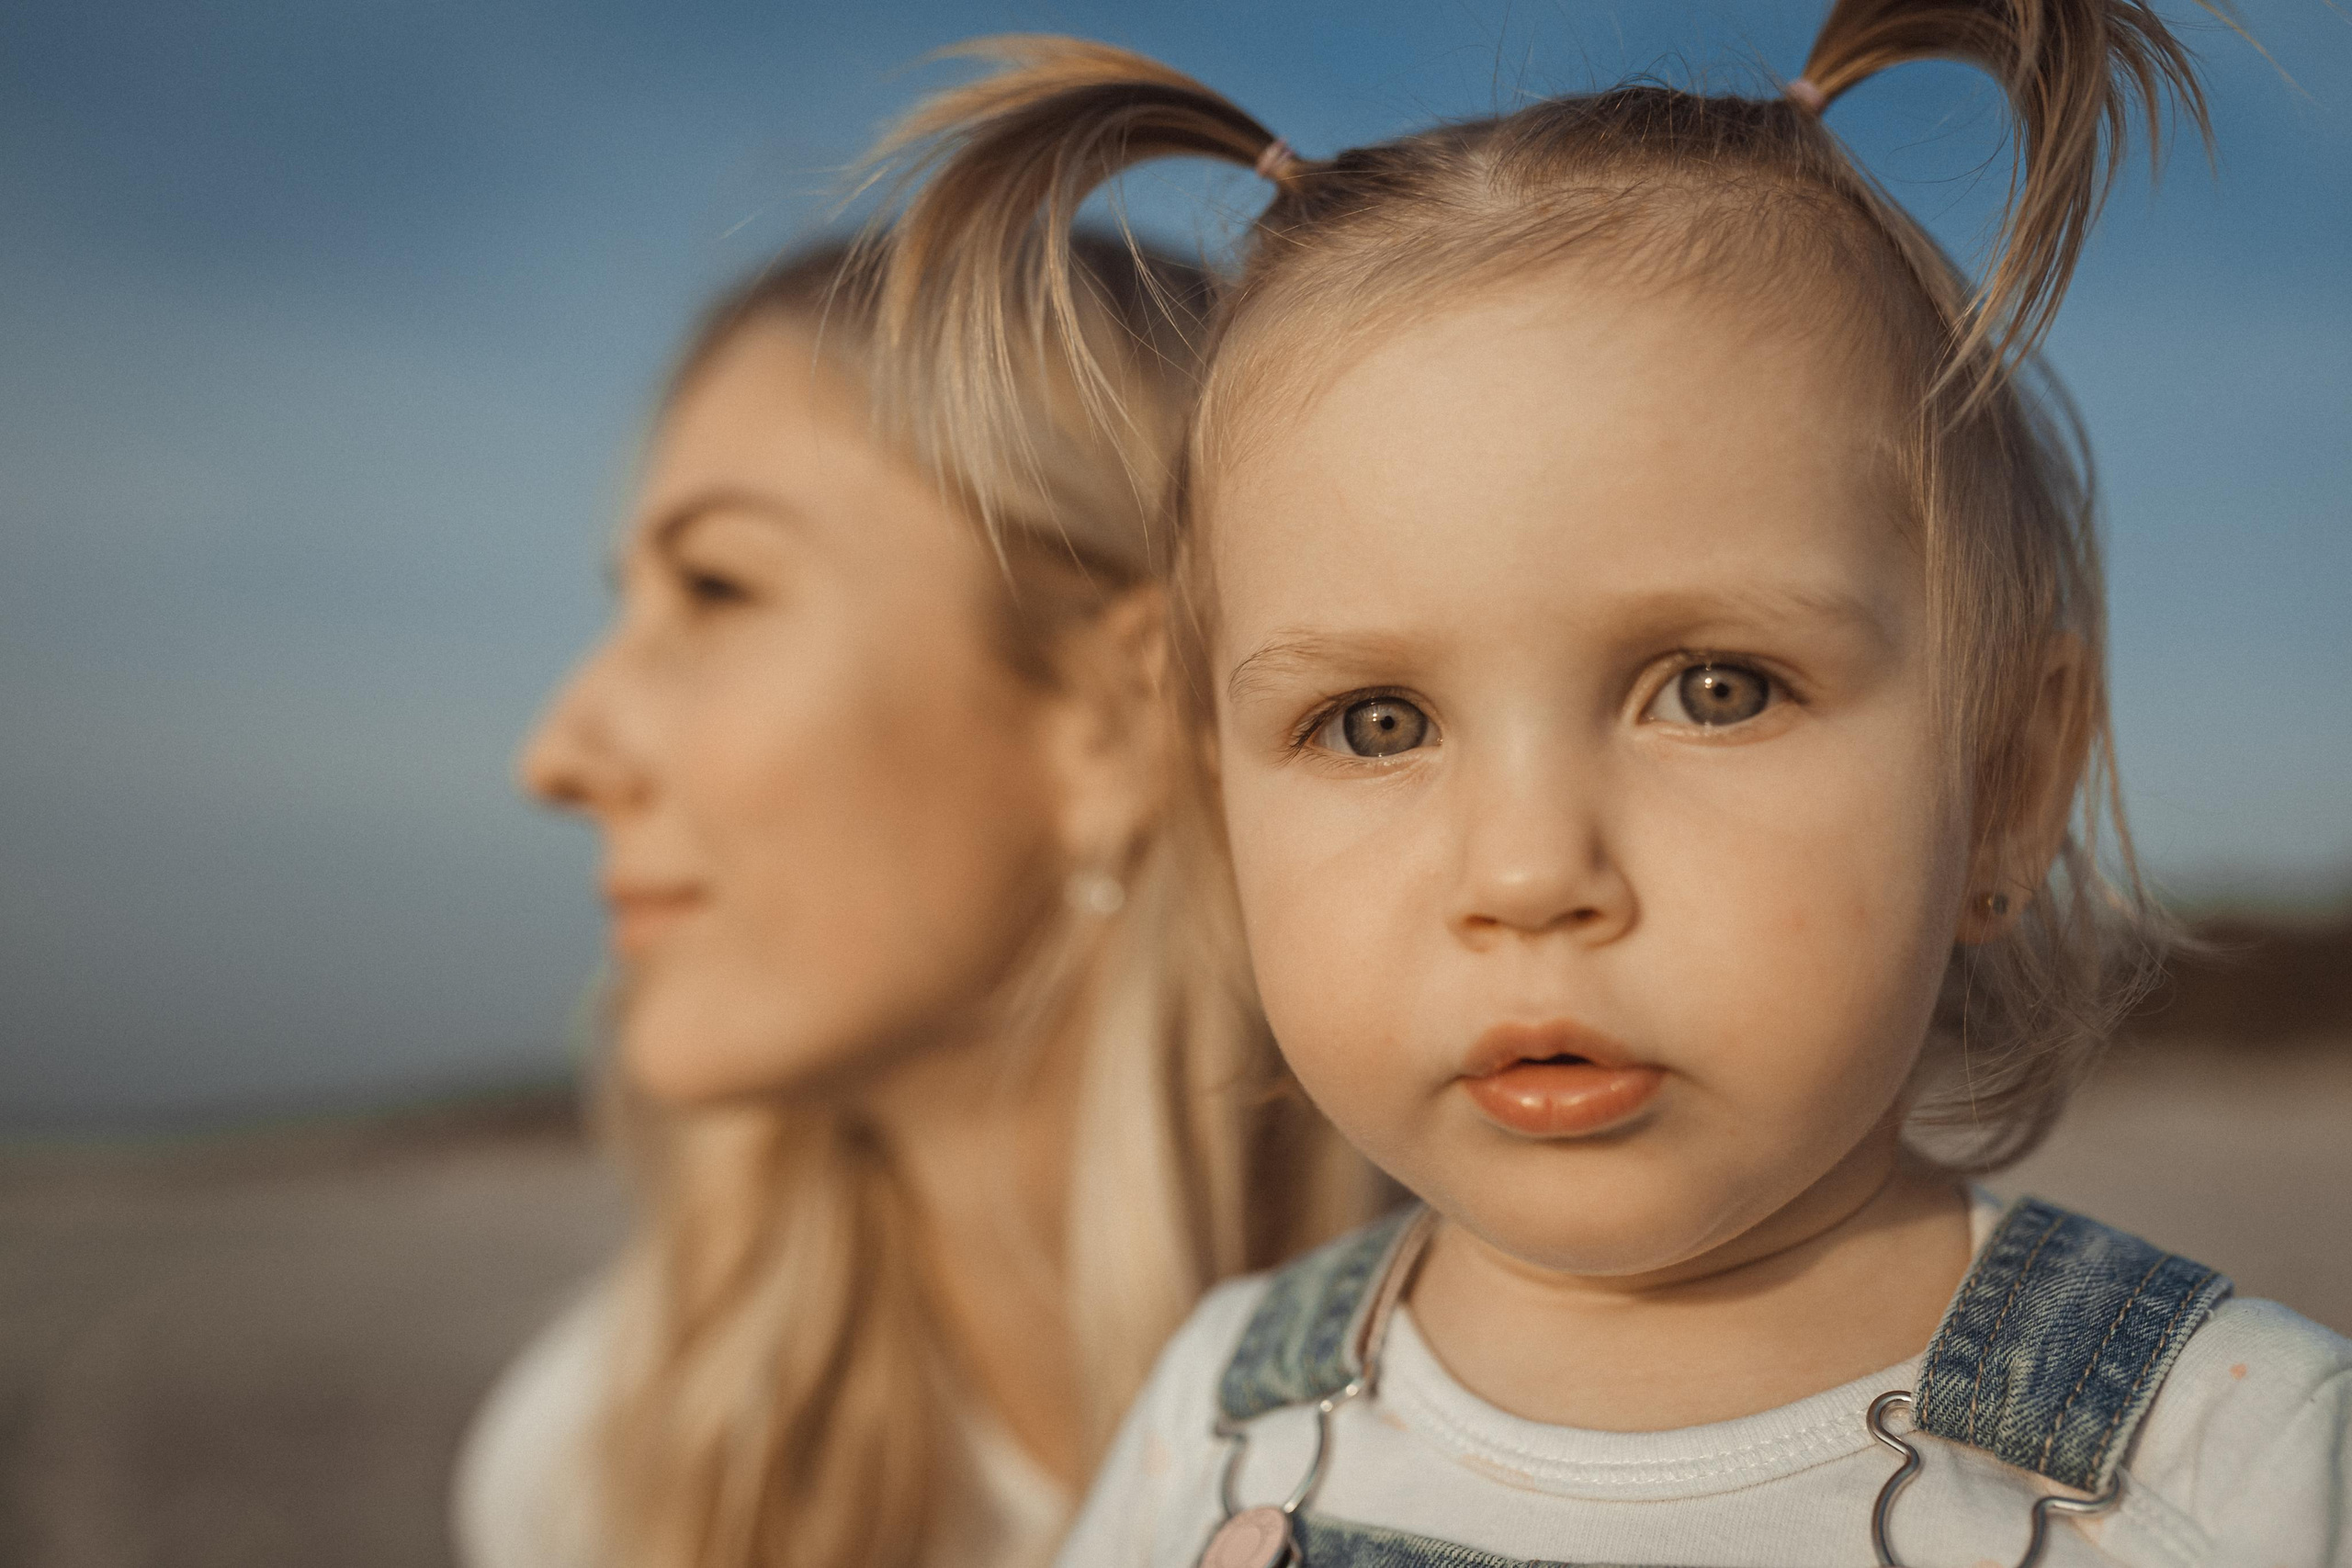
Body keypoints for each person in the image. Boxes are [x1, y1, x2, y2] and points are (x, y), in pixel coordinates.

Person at [854, 5, 2352, 1564]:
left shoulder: (2233, 1474)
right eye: (1375, 723)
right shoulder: (1219, 1420)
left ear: (2011, 778)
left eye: (1714, 691)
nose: (1525, 873)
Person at [453, 238, 1374, 1568]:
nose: (554, 756)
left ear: (1114, 717)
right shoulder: (605, 1476)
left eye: (715, 588)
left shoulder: (1582, 1464)